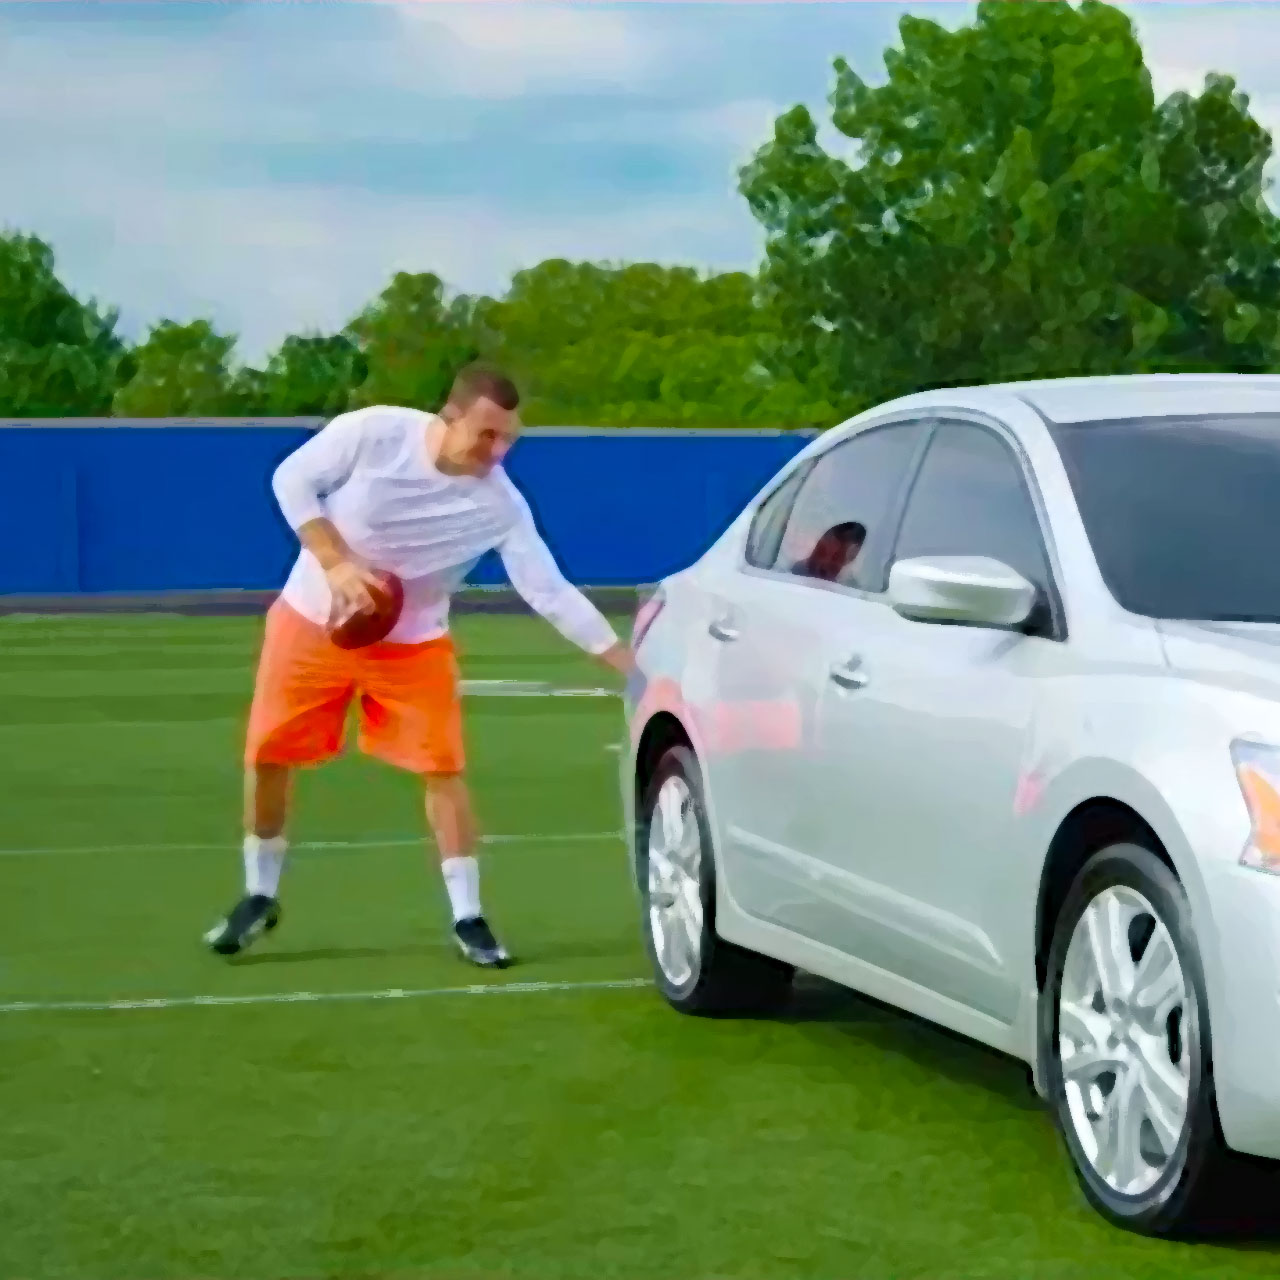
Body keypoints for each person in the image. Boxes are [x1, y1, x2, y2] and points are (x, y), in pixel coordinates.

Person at [203, 366, 636, 967]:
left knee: (442, 769)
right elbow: (291, 479)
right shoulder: (377, 433)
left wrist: (624, 663)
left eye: (509, 439)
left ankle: (468, 915)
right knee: (269, 754)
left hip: (412, 644)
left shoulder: (500, 505)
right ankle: (259, 894)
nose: (498, 451)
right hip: (311, 622)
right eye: (486, 435)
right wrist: (335, 564)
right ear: (449, 417)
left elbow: (548, 590)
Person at [793, 521, 866, 582]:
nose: (825, 563)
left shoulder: (851, 590)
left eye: (836, 557)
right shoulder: (794, 574)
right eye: (821, 552)